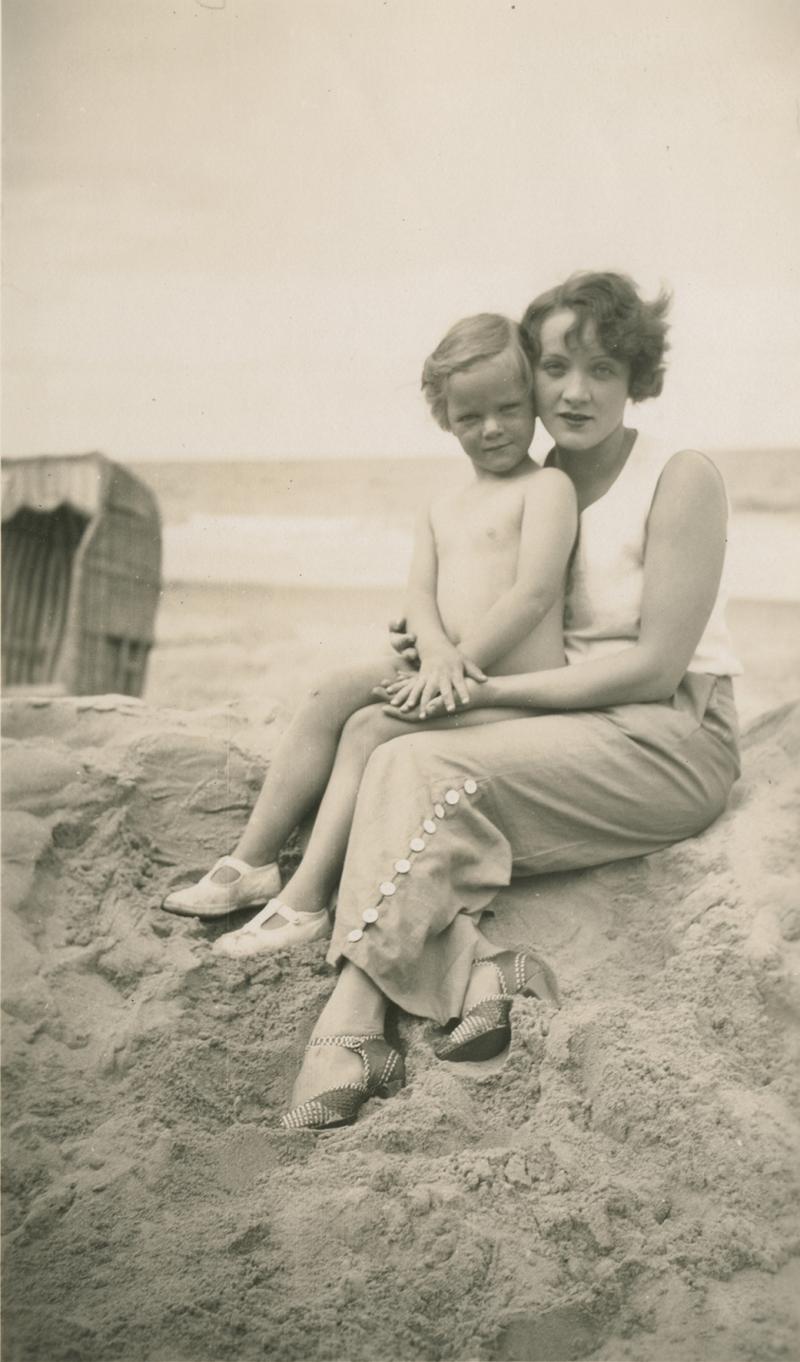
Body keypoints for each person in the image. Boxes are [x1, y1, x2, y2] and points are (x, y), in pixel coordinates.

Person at [279, 269, 742, 1133]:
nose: (577, 391)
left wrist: (476, 692)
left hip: (669, 736)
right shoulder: (537, 482)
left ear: (636, 378)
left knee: (421, 759)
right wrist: (438, 645)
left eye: (604, 370)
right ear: (527, 374)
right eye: (558, 366)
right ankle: (486, 971)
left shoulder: (679, 478)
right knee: (388, 742)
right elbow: (495, 597)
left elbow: (654, 669)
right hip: (569, 723)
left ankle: (348, 1024)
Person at [161, 312, 578, 964]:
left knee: (367, 731)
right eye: (470, 417)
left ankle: (305, 900)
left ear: (534, 403)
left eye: (509, 408)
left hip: (510, 686)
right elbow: (419, 594)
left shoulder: (546, 488)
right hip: (449, 671)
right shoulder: (443, 505)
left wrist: (458, 663)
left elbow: (533, 594)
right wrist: (436, 651)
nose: (492, 427)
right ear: (445, 419)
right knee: (332, 690)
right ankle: (252, 861)